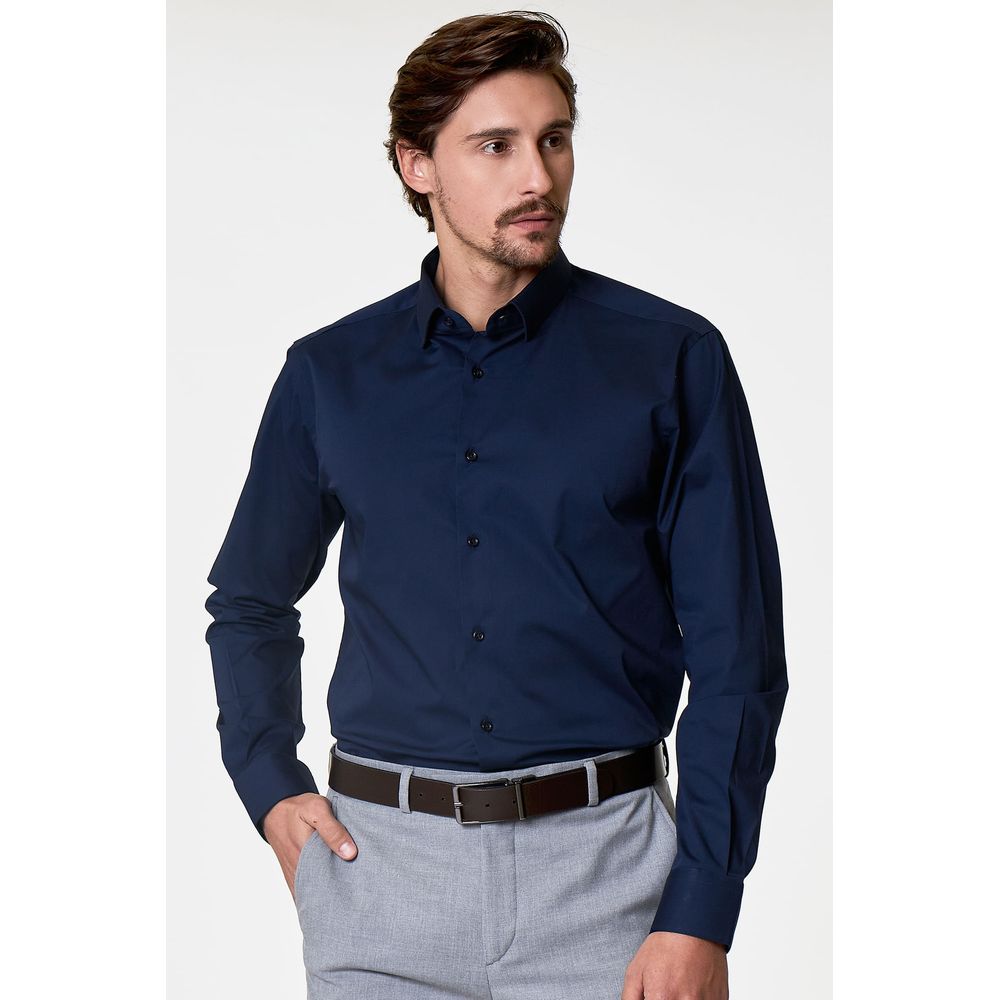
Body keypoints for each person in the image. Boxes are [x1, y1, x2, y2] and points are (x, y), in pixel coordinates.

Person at [203, 11, 788, 1000]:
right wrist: (270, 784)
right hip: (377, 876)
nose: (537, 177)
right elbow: (250, 601)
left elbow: (740, 653)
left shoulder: (669, 359)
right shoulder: (330, 374)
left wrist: (701, 905)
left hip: (607, 882)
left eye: (554, 140)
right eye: (495, 145)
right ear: (417, 165)